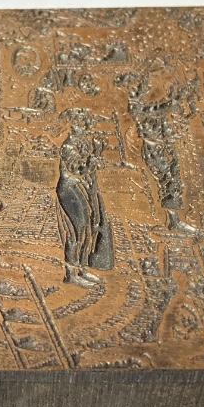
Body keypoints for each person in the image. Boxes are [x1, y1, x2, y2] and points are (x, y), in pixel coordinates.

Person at [56, 108, 113, 286]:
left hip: (78, 188)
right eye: (84, 124)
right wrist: (91, 164)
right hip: (69, 190)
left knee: (86, 230)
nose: (87, 127)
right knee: (76, 231)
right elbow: (75, 170)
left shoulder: (82, 144)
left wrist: (96, 156)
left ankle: (81, 269)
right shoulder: (69, 147)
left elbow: (85, 167)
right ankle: (71, 273)